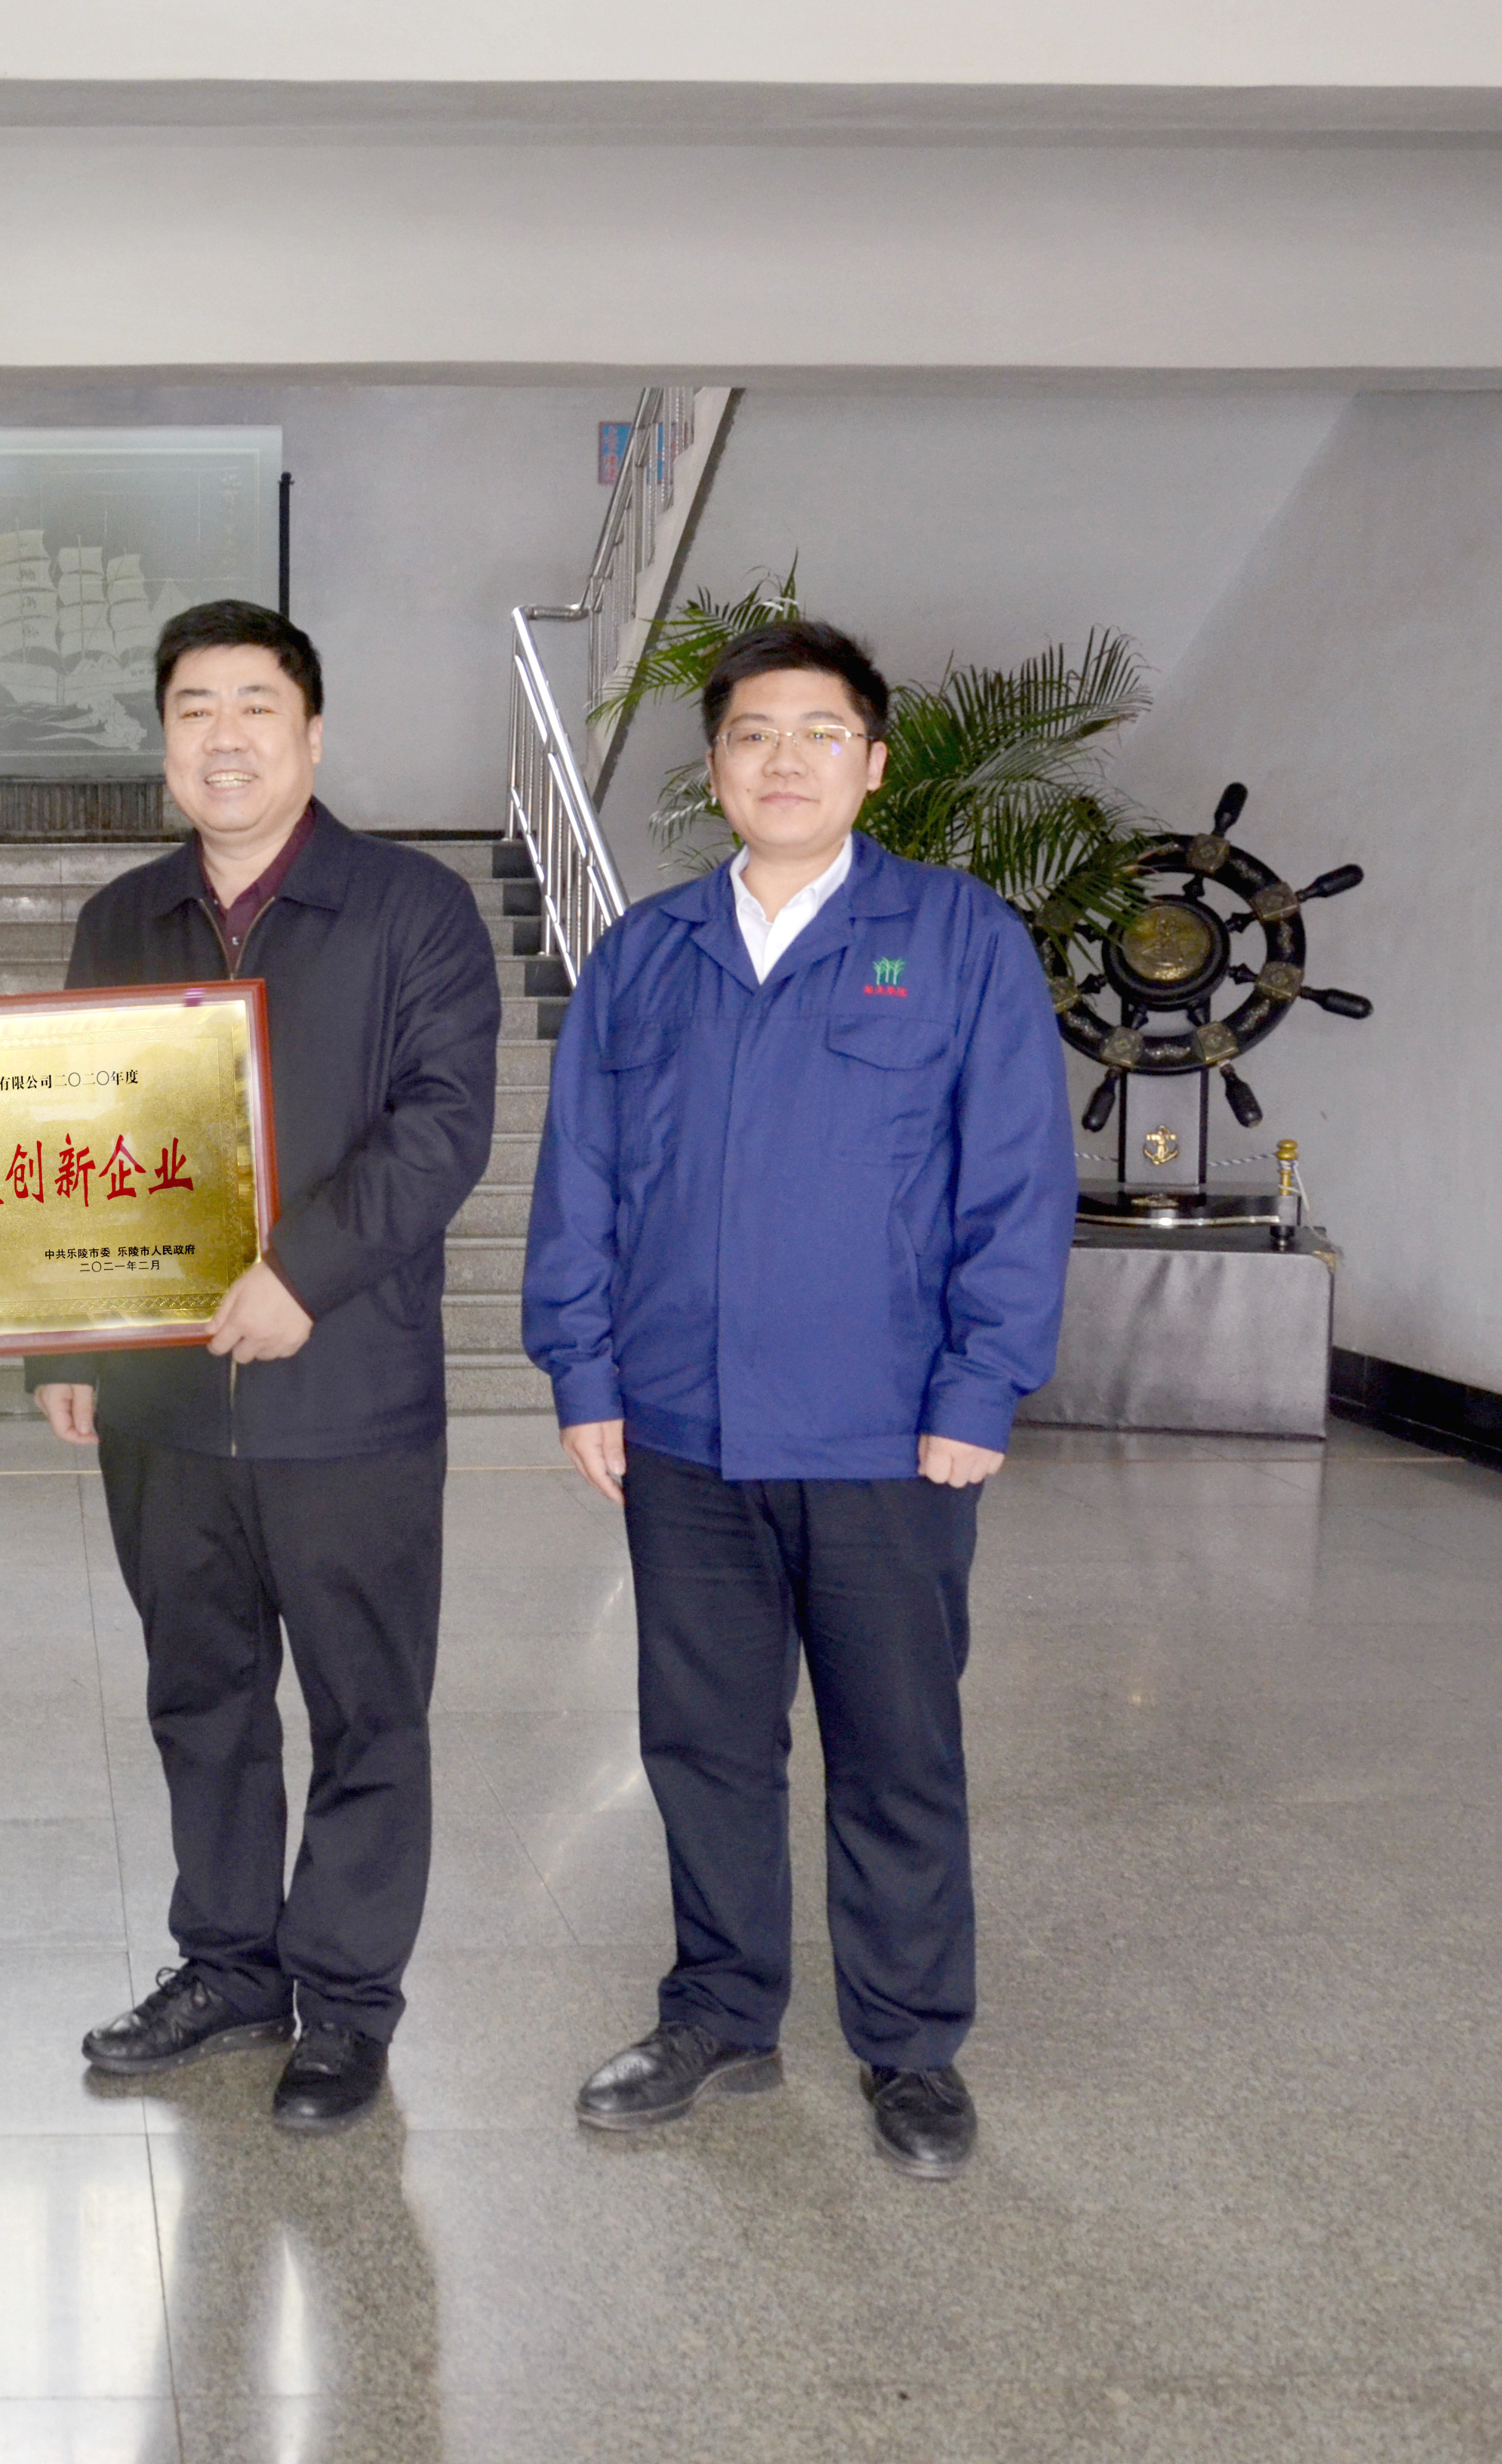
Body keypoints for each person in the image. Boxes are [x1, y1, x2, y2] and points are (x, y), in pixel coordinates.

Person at [0, 599, 497, 2133]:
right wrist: (60, 1338)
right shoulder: (124, 917)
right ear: (163, 740)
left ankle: (345, 2004)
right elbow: (71, 1132)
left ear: (313, 733)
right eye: (193, 710)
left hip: (346, 1391)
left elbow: (441, 1127)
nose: (224, 738)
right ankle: (228, 1969)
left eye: (254, 706)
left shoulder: (413, 909)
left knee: (366, 1709)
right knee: (201, 1696)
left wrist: (305, 1272)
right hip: (162, 1403)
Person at [522, 618, 1072, 2179]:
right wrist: (583, 1368)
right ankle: (719, 2012)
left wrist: (980, 1386)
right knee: (702, 1741)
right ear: (714, 768)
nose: (784, 761)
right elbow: (583, 1178)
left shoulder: (955, 940)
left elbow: (1016, 1180)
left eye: (819, 734)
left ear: (872, 764)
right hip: (683, 1428)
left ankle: (910, 2044)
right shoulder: (647, 954)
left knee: (895, 1746)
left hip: (887, 1434)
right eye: (753, 734)